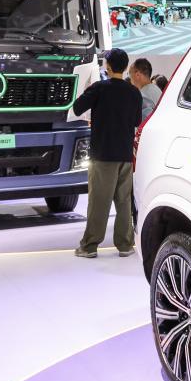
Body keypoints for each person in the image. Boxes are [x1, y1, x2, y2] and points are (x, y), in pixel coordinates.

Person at [72, 48, 142, 259]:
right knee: (124, 202)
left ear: (107, 67)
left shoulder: (99, 88)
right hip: (125, 154)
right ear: (125, 66)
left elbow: (77, 108)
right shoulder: (134, 92)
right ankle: (125, 245)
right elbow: (137, 121)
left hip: (103, 154)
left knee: (98, 203)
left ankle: (89, 246)